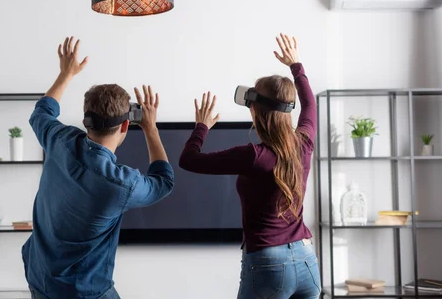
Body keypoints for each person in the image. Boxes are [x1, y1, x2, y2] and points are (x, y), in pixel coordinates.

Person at [23, 36, 174, 299]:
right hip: (84, 292)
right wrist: (151, 129)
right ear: (126, 126)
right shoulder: (121, 184)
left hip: (40, 278)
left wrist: (66, 74)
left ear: (85, 120)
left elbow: (41, 113)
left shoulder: (59, 140)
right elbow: (164, 182)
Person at [179, 34, 320, 299]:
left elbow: (188, 160)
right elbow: (310, 104)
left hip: (269, 262)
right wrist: (295, 65)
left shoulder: (253, 156)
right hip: (306, 260)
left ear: (255, 110)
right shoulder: (305, 142)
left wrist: (201, 127)